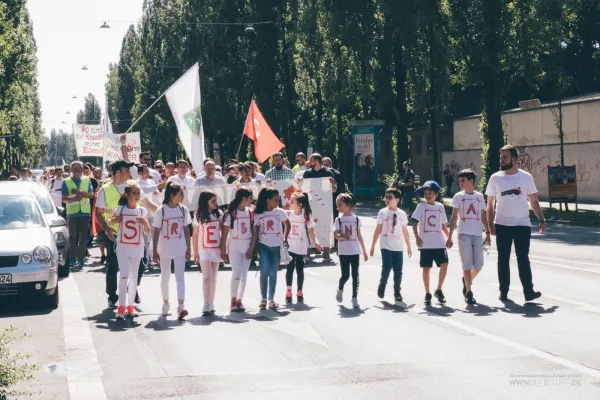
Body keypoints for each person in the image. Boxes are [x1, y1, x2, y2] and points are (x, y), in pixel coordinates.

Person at [95, 160, 158, 308]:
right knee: (113, 265)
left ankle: (132, 290)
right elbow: (98, 213)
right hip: (115, 234)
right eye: (126, 171)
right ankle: (112, 295)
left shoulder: (132, 186)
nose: (129, 173)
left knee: (142, 264)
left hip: (135, 235)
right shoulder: (105, 190)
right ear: (117, 172)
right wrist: (107, 229)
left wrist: (164, 212)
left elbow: (147, 204)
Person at [486, 145, 545, 302]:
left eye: (505, 157)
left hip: (522, 224)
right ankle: (503, 292)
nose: (502, 160)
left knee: (523, 259)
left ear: (514, 159)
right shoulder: (495, 178)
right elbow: (490, 204)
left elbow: (533, 199)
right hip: (502, 224)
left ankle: (528, 291)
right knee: (503, 259)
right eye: (501, 157)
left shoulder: (525, 177)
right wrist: (490, 224)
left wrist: (541, 218)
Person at [446, 169, 491, 305]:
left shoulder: (479, 196)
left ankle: (466, 281)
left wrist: (488, 233)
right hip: (463, 233)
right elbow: (454, 217)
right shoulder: (458, 197)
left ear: (471, 181)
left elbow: (483, 215)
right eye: (459, 181)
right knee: (466, 263)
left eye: (463, 181)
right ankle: (469, 293)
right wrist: (449, 236)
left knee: (478, 264)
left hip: (477, 234)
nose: (460, 183)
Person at [109, 182, 150, 319]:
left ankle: (130, 306)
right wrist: (116, 219)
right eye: (134, 193)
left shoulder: (142, 211)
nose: (137, 196)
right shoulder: (120, 209)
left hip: (137, 246)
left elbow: (148, 230)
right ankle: (121, 306)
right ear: (127, 195)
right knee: (124, 275)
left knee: (133, 277)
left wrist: (144, 222)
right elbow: (110, 222)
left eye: (138, 193)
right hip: (123, 246)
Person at [153, 182, 191, 320]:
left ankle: (181, 305)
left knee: (180, 276)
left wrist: (189, 248)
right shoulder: (161, 210)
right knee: (165, 276)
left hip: (180, 248)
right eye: (181, 193)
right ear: (172, 195)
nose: (183, 196)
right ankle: (166, 303)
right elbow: (156, 231)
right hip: (165, 249)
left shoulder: (184, 210)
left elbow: (186, 229)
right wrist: (155, 250)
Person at [249, 188, 290, 310]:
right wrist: (253, 247)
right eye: (275, 200)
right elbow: (255, 231)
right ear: (268, 200)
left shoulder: (280, 212)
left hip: (276, 246)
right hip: (263, 246)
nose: (278, 202)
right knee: (264, 271)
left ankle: (271, 299)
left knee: (273, 273)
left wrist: (285, 237)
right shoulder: (258, 214)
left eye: (279, 199)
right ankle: (263, 299)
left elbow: (287, 223)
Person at [369, 188, 412, 304]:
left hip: (398, 246)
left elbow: (405, 231)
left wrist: (408, 246)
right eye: (385, 197)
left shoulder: (402, 214)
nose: (386, 199)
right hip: (386, 244)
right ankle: (382, 284)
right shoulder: (382, 212)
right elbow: (377, 230)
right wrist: (372, 246)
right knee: (387, 267)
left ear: (397, 199)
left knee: (398, 270)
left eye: (390, 197)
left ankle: (397, 292)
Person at [411, 181, 450, 306]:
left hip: (439, 242)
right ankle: (427, 293)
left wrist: (449, 237)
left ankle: (438, 289)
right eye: (425, 193)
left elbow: (442, 224)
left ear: (436, 194)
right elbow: (414, 221)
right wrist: (417, 237)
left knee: (444, 264)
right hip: (426, 244)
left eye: (430, 193)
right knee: (426, 268)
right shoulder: (421, 206)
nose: (427, 195)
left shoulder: (440, 207)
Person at [299, 153, 338, 260]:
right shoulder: (307, 174)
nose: (309, 162)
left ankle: (326, 250)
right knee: (310, 226)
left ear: (316, 161)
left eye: (311, 160)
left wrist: (333, 183)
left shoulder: (328, 172)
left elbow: (334, 190)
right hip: (310, 204)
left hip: (325, 205)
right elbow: (303, 190)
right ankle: (309, 249)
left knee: (325, 226)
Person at [221, 188, 254, 312]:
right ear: (243, 199)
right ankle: (233, 300)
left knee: (244, 274)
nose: (252, 200)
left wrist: (252, 247)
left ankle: (240, 299)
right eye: (250, 198)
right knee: (237, 271)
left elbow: (254, 231)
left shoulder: (251, 213)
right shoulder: (231, 214)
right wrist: (223, 249)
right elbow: (224, 233)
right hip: (234, 246)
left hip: (246, 246)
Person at [285, 192, 322, 304]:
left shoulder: (306, 216)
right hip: (290, 246)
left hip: (301, 246)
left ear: (300, 205)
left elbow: (311, 231)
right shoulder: (288, 214)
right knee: (290, 268)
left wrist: (316, 242)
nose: (289, 203)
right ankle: (289, 290)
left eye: (292, 201)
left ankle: (299, 291)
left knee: (300, 269)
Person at [334, 194, 368, 309]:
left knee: (355, 275)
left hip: (354, 251)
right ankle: (340, 288)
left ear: (348, 205)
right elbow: (336, 235)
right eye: (337, 205)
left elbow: (359, 236)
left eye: (340, 205)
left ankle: (354, 298)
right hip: (343, 251)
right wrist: (342, 235)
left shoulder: (356, 219)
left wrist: (364, 251)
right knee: (345, 275)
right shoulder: (338, 220)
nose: (338, 207)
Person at [193, 190, 223, 315]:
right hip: (203, 249)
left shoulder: (219, 214)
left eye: (216, 200)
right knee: (206, 277)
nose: (216, 203)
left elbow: (223, 231)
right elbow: (195, 235)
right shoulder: (198, 216)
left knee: (214, 278)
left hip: (215, 249)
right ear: (206, 202)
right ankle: (206, 303)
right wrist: (195, 252)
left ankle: (211, 302)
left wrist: (223, 248)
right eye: (213, 201)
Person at [62, 161, 94, 268]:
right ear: (71, 170)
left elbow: (91, 195)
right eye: (76, 169)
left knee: (82, 238)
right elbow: (64, 198)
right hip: (72, 213)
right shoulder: (66, 182)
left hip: (84, 213)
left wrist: (80, 192)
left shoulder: (86, 179)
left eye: (80, 169)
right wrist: (75, 198)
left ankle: (80, 258)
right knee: (72, 237)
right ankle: (72, 258)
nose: (79, 171)